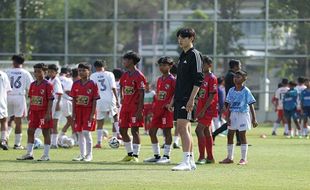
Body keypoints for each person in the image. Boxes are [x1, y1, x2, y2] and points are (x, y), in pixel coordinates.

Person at [169, 28, 204, 171]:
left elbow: (199, 80)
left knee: (182, 128)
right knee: (186, 129)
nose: (180, 40)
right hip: (179, 98)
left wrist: (191, 99)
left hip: (187, 98)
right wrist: (173, 99)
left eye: (183, 37)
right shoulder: (182, 55)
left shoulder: (195, 55)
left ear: (191, 38)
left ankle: (185, 162)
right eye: (179, 37)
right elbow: (180, 80)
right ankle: (191, 160)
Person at [219, 70, 258, 165]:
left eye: (238, 77)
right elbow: (228, 104)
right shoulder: (231, 90)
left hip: (243, 114)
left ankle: (244, 159)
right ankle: (229, 157)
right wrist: (227, 116)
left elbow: (251, 104)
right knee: (230, 134)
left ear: (244, 79)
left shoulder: (246, 91)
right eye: (235, 77)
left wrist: (254, 118)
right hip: (233, 114)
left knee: (242, 135)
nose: (236, 79)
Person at [17, 63, 53, 161]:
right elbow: (32, 99)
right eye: (35, 71)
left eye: (39, 71)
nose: (36, 73)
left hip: (43, 112)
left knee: (46, 132)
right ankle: (29, 154)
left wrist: (48, 113)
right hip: (34, 111)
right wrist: (29, 111)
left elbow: (50, 99)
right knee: (30, 131)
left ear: (45, 72)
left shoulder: (48, 85)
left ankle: (46, 155)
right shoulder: (32, 84)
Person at [143, 56, 176, 164]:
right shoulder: (159, 79)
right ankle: (157, 155)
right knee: (152, 132)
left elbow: (176, 94)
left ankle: (166, 156)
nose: (161, 67)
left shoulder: (173, 80)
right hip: (157, 110)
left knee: (167, 132)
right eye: (160, 65)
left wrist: (170, 104)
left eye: (164, 65)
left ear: (170, 66)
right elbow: (158, 94)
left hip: (167, 110)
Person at [119, 51, 146, 162]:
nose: (123, 61)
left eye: (125, 59)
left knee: (135, 131)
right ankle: (129, 153)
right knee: (122, 130)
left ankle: (135, 155)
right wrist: (121, 96)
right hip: (125, 107)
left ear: (131, 61)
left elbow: (142, 93)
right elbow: (121, 86)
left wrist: (140, 110)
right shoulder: (125, 75)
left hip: (135, 108)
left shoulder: (139, 75)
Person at [71, 63, 99, 162]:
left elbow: (95, 99)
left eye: (83, 70)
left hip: (88, 111)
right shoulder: (75, 84)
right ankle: (82, 154)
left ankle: (89, 155)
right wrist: (73, 112)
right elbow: (74, 99)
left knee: (86, 132)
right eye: (79, 71)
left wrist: (93, 114)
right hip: (78, 111)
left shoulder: (93, 84)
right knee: (79, 133)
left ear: (89, 71)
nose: (81, 72)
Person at [6, 54, 34, 149]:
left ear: (14, 62)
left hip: (8, 96)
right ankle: (17, 144)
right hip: (19, 97)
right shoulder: (25, 73)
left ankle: (4, 139)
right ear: (23, 62)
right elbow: (31, 87)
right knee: (18, 120)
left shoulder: (7, 72)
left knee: (8, 119)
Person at [90, 60, 120, 148]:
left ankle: (99, 143)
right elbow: (113, 88)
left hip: (99, 100)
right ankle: (117, 134)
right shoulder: (110, 74)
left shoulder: (93, 76)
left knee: (100, 121)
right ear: (105, 66)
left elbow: (92, 89)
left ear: (95, 67)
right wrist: (117, 100)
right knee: (115, 117)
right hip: (110, 99)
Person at [212, 60, 242, 145]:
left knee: (235, 121)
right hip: (233, 101)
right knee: (232, 121)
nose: (240, 67)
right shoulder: (232, 76)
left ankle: (239, 140)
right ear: (235, 66)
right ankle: (214, 134)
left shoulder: (230, 75)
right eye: (239, 65)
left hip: (232, 100)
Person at [195, 56, 218, 164]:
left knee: (198, 130)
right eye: (201, 64)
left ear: (209, 65)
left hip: (208, 109)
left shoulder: (212, 78)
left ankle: (202, 157)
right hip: (202, 108)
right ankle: (210, 157)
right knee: (206, 131)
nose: (202, 66)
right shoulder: (202, 77)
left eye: (204, 64)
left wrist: (204, 109)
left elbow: (212, 95)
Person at [47, 64, 63, 148]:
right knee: (52, 124)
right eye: (49, 71)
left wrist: (58, 104)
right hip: (53, 103)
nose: (50, 73)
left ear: (56, 73)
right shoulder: (50, 79)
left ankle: (54, 143)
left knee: (53, 124)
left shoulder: (56, 80)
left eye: (52, 72)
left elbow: (59, 93)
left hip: (55, 102)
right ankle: (52, 142)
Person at [59, 67, 74, 138]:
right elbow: (68, 91)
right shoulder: (68, 80)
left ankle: (55, 137)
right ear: (67, 73)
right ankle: (75, 135)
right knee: (71, 119)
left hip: (54, 101)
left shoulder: (55, 78)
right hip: (65, 100)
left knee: (53, 121)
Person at [0, 70, 12, 150]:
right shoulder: (4, 75)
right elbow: (8, 90)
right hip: (2, 101)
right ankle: (3, 140)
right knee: (4, 120)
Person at [170, 64, 180, 149]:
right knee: (178, 123)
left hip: (170, 104)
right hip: (175, 103)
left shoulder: (170, 79)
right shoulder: (177, 79)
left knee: (168, 124)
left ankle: (170, 141)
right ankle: (176, 141)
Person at [112, 68, 124, 138]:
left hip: (113, 103)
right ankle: (119, 135)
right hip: (121, 104)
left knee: (115, 121)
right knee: (120, 121)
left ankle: (115, 137)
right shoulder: (122, 83)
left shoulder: (112, 83)